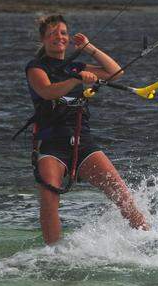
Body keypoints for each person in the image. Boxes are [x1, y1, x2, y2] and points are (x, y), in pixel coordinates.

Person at [25, 14, 148, 245]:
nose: (58, 37)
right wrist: (76, 80)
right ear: (43, 39)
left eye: (63, 33)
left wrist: (90, 48)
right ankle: (53, 254)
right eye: (52, 33)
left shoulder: (75, 65)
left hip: (83, 141)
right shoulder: (35, 67)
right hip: (52, 143)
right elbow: (48, 91)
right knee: (50, 198)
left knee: (121, 195)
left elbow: (116, 72)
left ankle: (149, 239)